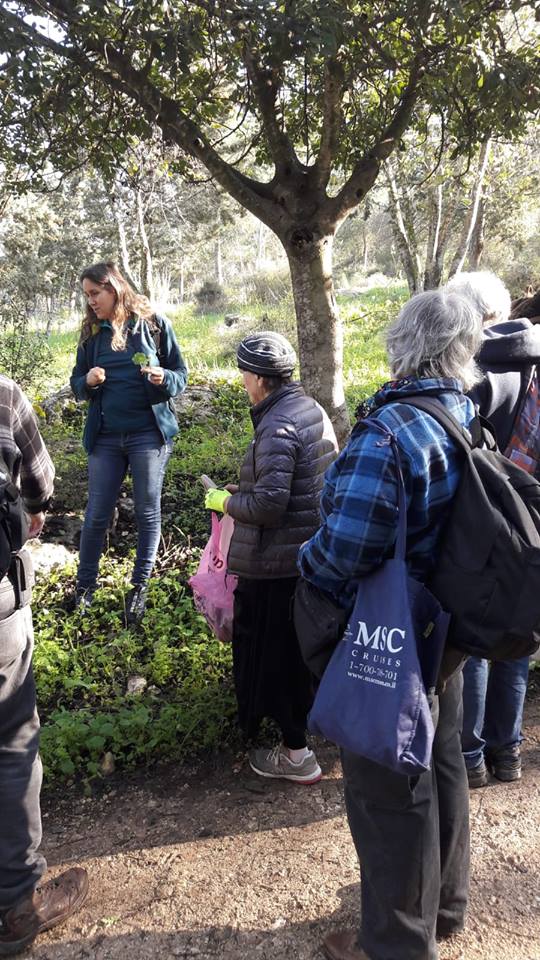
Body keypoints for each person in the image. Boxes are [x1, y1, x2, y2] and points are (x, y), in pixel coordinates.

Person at [298, 290, 482, 960]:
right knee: (441, 763)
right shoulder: (465, 413)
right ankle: (445, 908)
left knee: (387, 794)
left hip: (388, 635)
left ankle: (396, 945)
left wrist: (303, 562)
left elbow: (344, 551)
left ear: (402, 343)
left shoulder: (390, 432)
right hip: (446, 632)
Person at [204, 331, 337, 784]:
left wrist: (224, 502)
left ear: (260, 378)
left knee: (278, 661)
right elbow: (293, 486)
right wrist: (247, 491)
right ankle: (306, 737)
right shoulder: (308, 407)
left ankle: (296, 755)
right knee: (298, 656)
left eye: (244, 374)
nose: (242, 381)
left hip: (277, 567)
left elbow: (269, 507)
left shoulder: (278, 425)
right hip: (306, 557)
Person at [0, 373, 88, 955]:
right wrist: (31, 512)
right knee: (10, 740)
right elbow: (40, 479)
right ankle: (16, 905)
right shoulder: (3, 394)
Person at [447, 270, 540, 787]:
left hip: (481, 526)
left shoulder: (470, 373)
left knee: (478, 636)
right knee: (520, 632)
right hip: (535, 523)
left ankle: (471, 758)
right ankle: (509, 754)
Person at [69, 262, 188, 624]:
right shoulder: (91, 335)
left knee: (147, 512)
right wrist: (87, 380)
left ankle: (139, 588)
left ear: (115, 289)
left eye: (95, 294)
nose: (90, 302)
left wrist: (162, 377)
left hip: (147, 435)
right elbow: (76, 383)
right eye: (87, 295)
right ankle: (85, 589)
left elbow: (180, 375)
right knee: (95, 516)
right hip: (105, 437)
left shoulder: (152, 324)